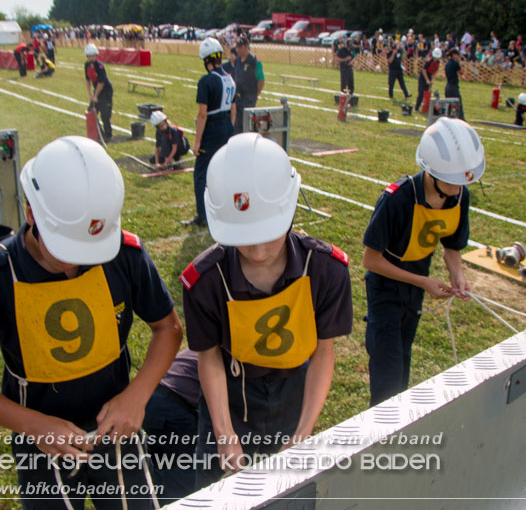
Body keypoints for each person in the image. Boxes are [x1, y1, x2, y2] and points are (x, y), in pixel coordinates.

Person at [0, 136, 183, 509]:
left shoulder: (122, 253)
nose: (74, 264)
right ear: (31, 212)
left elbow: (167, 327)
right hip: (40, 438)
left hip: (116, 427)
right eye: (65, 248)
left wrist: (137, 396)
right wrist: (33, 424)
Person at [180, 132, 353, 487]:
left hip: (295, 391)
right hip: (229, 394)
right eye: (243, 237)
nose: (258, 252)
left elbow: (323, 351)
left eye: (269, 233)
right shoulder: (205, 280)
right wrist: (224, 433)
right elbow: (209, 356)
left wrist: (304, 431)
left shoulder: (326, 269)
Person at [363, 117, 483, 406]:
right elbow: (371, 260)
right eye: (452, 181)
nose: (458, 189)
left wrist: (458, 274)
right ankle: (380, 436)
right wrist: (423, 281)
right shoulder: (397, 198)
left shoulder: (459, 195)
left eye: (462, 182)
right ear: (431, 169)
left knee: (403, 360)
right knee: (388, 374)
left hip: (416, 285)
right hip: (386, 289)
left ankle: (395, 426)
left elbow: (451, 246)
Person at [187, 37, 236, 227]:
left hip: (212, 130)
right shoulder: (230, 79)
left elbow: (202, 115)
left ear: (206, 60)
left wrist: (197, 142)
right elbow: (233, 110)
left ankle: (203, 216)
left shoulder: (206, 81)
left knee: (201, 174)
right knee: (222, 172)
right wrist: (229, 129)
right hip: (227, 128)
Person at [141, 349, 199, 501]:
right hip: (170, 406)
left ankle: (138, 457)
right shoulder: (230, 358)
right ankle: (149, 490)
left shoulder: (207, 345)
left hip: (149, 398)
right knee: (202, 464)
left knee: (169, 449)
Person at [231, 36, 265, 132]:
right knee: (237, 125)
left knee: (247, 124)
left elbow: (261, 80)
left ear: (246, 46)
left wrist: (256, 94)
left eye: (240, 47)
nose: (237, 49)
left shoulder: (254, 62)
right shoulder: (237, 61)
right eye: (237, 47)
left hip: (249, 98)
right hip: (238, 98)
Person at [84, 43, 114, 143]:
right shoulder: (87, 65)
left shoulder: (100, 66)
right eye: (90, 56)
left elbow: (101, 83)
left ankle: (108, 135)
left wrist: (95, 96)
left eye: (93, 55)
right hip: (96, 90)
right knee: (91, 112)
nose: (92, 58)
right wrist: (90, 94)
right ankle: (97, 132)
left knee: (105, 114)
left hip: (105, 91)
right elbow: (88, 80)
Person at [444, 48, 465, 121]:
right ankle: (461, 120)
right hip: (453, 87)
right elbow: (461, 72)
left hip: (447, 86)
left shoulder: (447, 63)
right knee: (458, 104)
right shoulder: (455, 63)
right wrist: (459, 62)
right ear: (454, 55)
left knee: (449, 104)